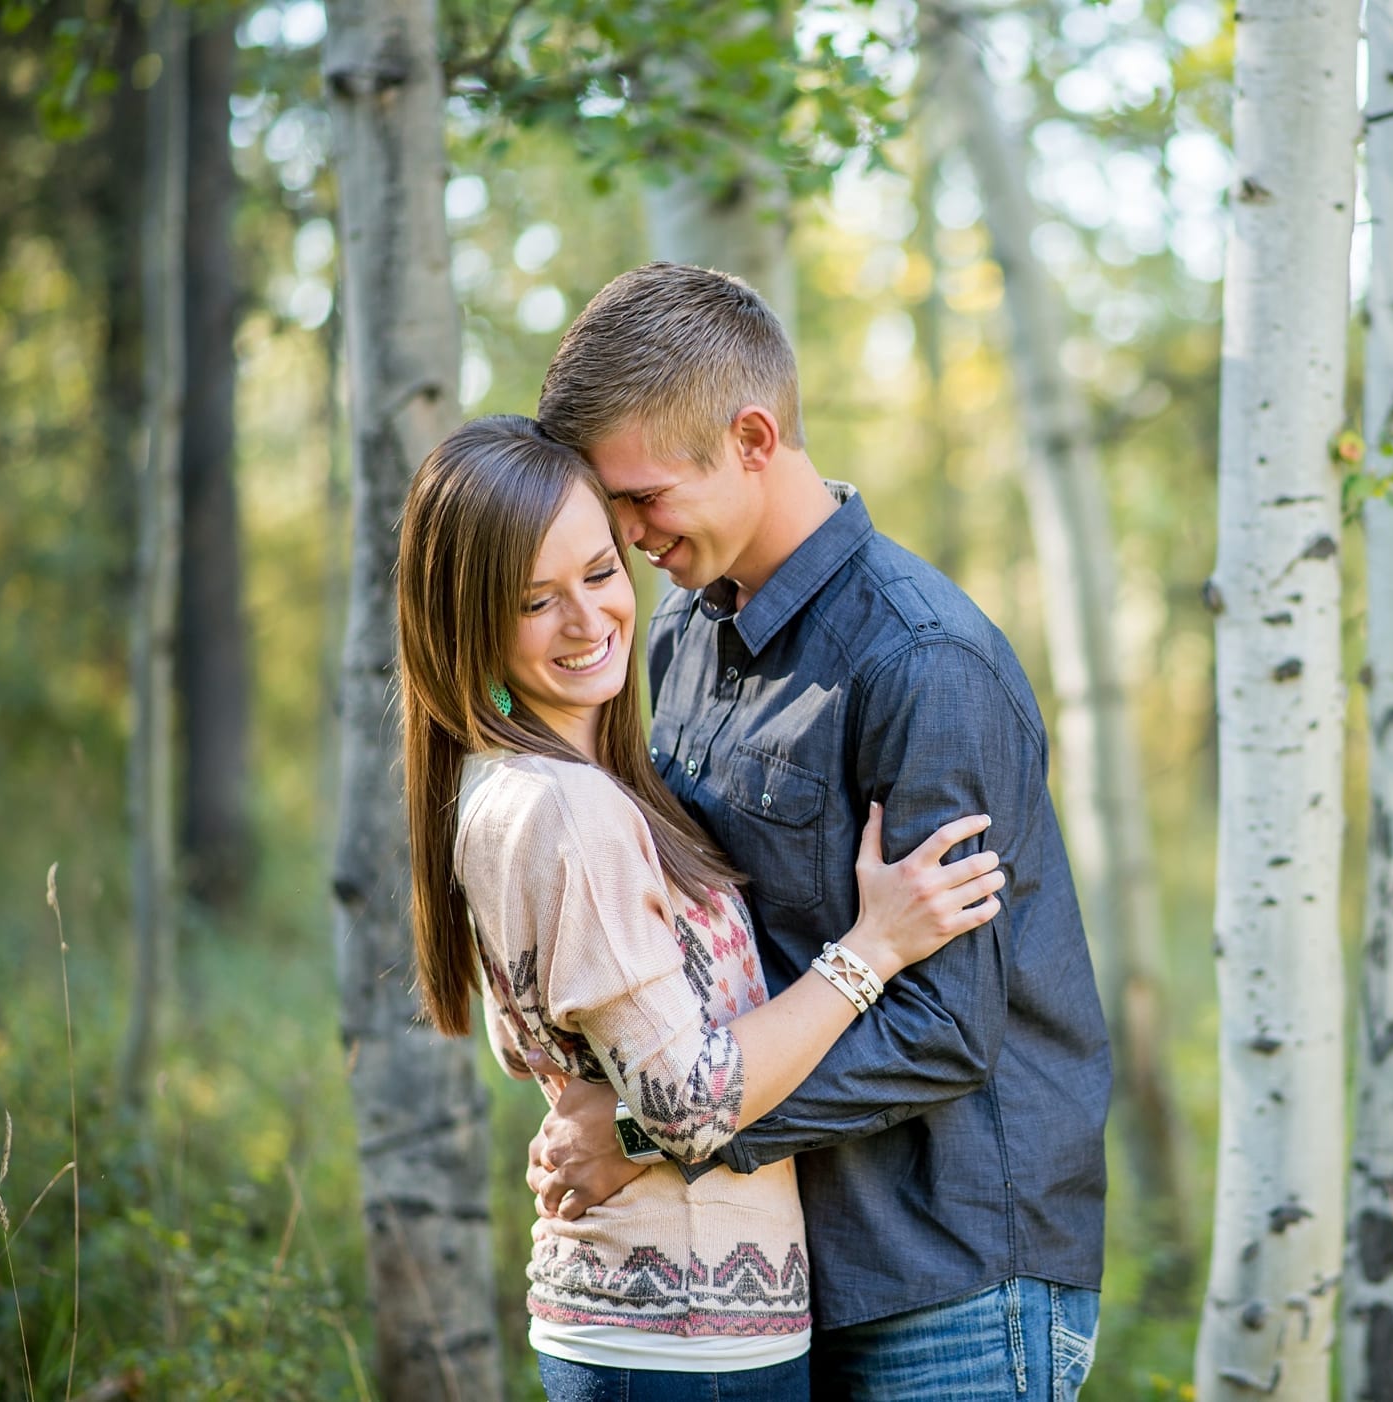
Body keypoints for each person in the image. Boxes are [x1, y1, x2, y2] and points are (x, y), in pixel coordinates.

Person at [525, 263, 1113, 1400]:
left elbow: (947, 1027)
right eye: (613, 504)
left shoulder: (923, 662)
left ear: (752, 436)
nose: (629, 533)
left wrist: (652, 1131)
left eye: (644, 497)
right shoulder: (682, 640)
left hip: (950, 1275)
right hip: (777, 1264)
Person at [397, 415, 1009, 1401]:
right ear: (467, 621)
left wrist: (625, 1117)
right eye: (533, 601)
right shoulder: (571, 809)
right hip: (683, 1333)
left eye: (599, 572)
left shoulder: (520, 784)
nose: (588, 619)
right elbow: (688, 1101)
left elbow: (570, 1058)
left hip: (660, 1322)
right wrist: (873, 946)